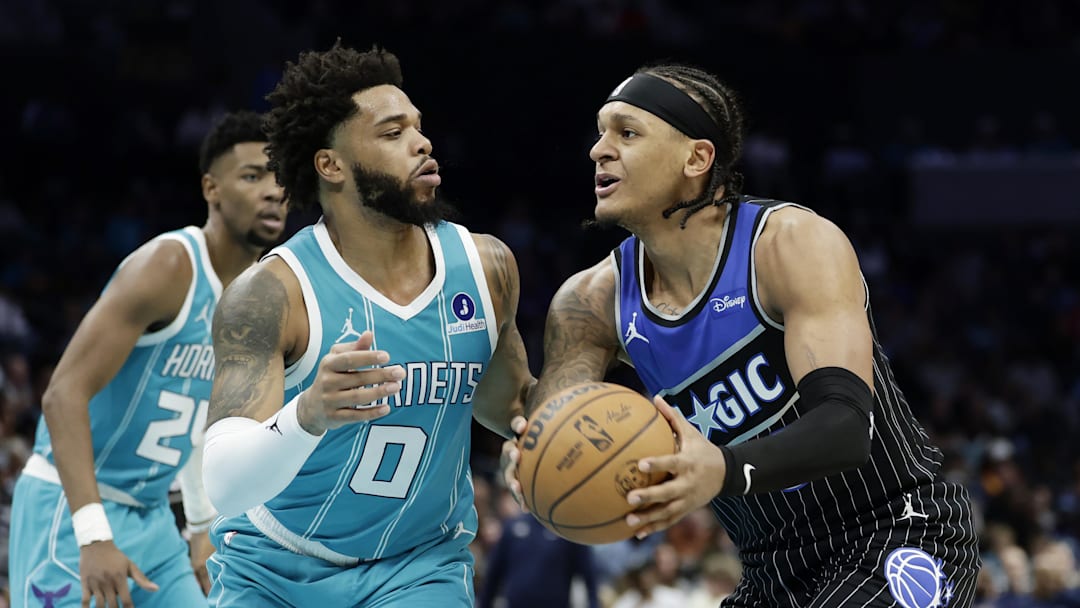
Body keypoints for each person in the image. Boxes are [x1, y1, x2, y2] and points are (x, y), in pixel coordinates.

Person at [504, 64, 981, 607]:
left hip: (895, 532)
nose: (598, 150)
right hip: (767, 571)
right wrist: (530, 458)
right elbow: (554, 424)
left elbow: (847, 426)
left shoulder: (789, 245)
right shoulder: (590, 302)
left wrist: (723, 469)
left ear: (696, 158)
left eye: (627, 133)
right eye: (600, 132)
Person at [200, 43, 534, 607]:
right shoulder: (271, 294)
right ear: (330, 165)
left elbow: (508, 401)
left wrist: (535, 435)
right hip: (276, 569)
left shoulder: (486, 267)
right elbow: (225, 484)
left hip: (418, 567)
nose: (422, 143)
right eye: (392, 132)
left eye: (419, 128)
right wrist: (308, 414)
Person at [9, 111, 287, 608]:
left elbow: (204, 414)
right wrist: (93, 535)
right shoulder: (169, 266)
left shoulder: (255, 295)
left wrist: (201, 526)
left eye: (279, 176)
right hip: (72, 509)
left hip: (154, 518)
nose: (272, 190)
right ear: (211, 188)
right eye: (252, 176)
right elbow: (61, 394)